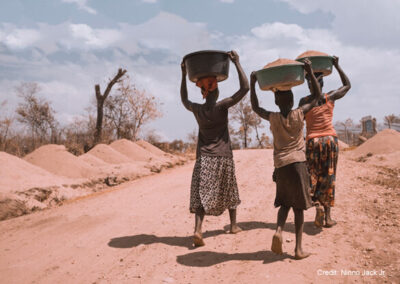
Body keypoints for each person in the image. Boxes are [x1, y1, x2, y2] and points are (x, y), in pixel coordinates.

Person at [250, 59, 320, 260]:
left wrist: (253, 83)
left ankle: (279, 230)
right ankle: (298, 249)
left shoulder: (272, 117)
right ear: (291, 100)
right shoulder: (300, 113)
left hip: (281, 165)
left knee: (284, 203)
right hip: (298, 163)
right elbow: (316, 96)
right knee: (298, 207)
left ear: (276, 102)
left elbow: (255, 107)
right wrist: (309, 71)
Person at [181, 50, 249, 247]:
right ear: (214, 91)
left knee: (202, 195)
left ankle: (198, 230)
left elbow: (184, 99)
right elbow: (244, 88)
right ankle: (234, 225)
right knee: (230, 190)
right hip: (223, 156)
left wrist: (183, 74)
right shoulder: (222, 106)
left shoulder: (197, 109)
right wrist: (237, 63)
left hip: (204, 158)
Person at [298, 56, 351, 228]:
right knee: (329, 177)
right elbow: (347, 85)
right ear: (322, 83)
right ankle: (327, 217)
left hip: (313, 141)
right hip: (330, 140)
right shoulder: (330, 97)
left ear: (309, 83)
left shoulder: (304, 102)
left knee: (313, 176)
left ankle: (318, 206)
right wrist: (337, 65)